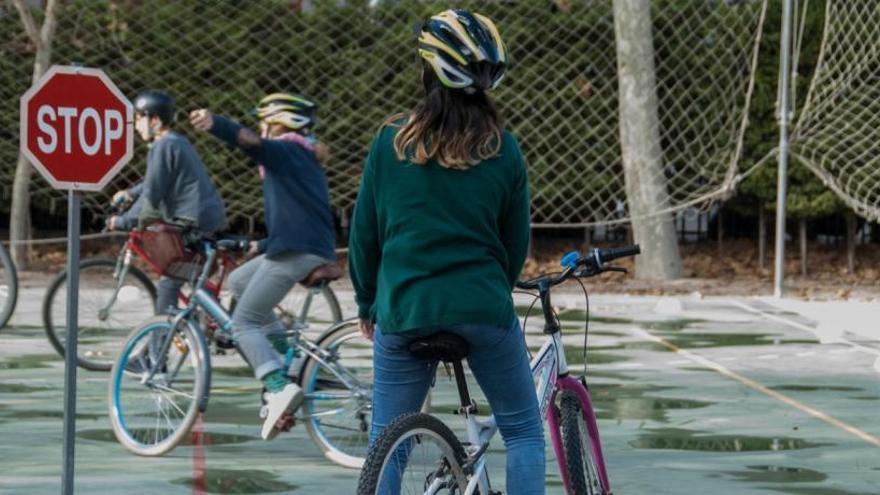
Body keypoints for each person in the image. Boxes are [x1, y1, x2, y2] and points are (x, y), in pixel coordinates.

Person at [349, 9, 544, 494]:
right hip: (480, 306)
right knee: (522, 431)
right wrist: (493, 290)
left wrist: (366, 301)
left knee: (386, 442)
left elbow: (364, 235)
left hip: (403, 308)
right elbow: (514, 243)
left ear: (426, 73)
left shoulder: (389, 142)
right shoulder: (504, 149)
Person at [189, 93, 337, 441]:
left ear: (279, 123)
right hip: (296, 246)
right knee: (240, 281)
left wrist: (217, 124)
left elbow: (250, 143)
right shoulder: (301, 158)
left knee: (242, 321)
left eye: (264, 123)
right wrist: (258, 245)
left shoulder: (286, 150)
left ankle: (277, 384)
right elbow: (299, 218)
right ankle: (290, 357)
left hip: (296, 252)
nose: (260, 129)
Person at [109, 90, 227, 315]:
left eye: (139, 119)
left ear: (154, 120)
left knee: (170, 279)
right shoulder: (175, 142)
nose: (135, 126)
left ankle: (158, 344)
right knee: (192, 276)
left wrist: (125, 221)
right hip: (203, 217)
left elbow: (153, 194)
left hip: (194, 220)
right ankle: (210, 322)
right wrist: (130, 193)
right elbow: (155, 180)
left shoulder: (163, 145)